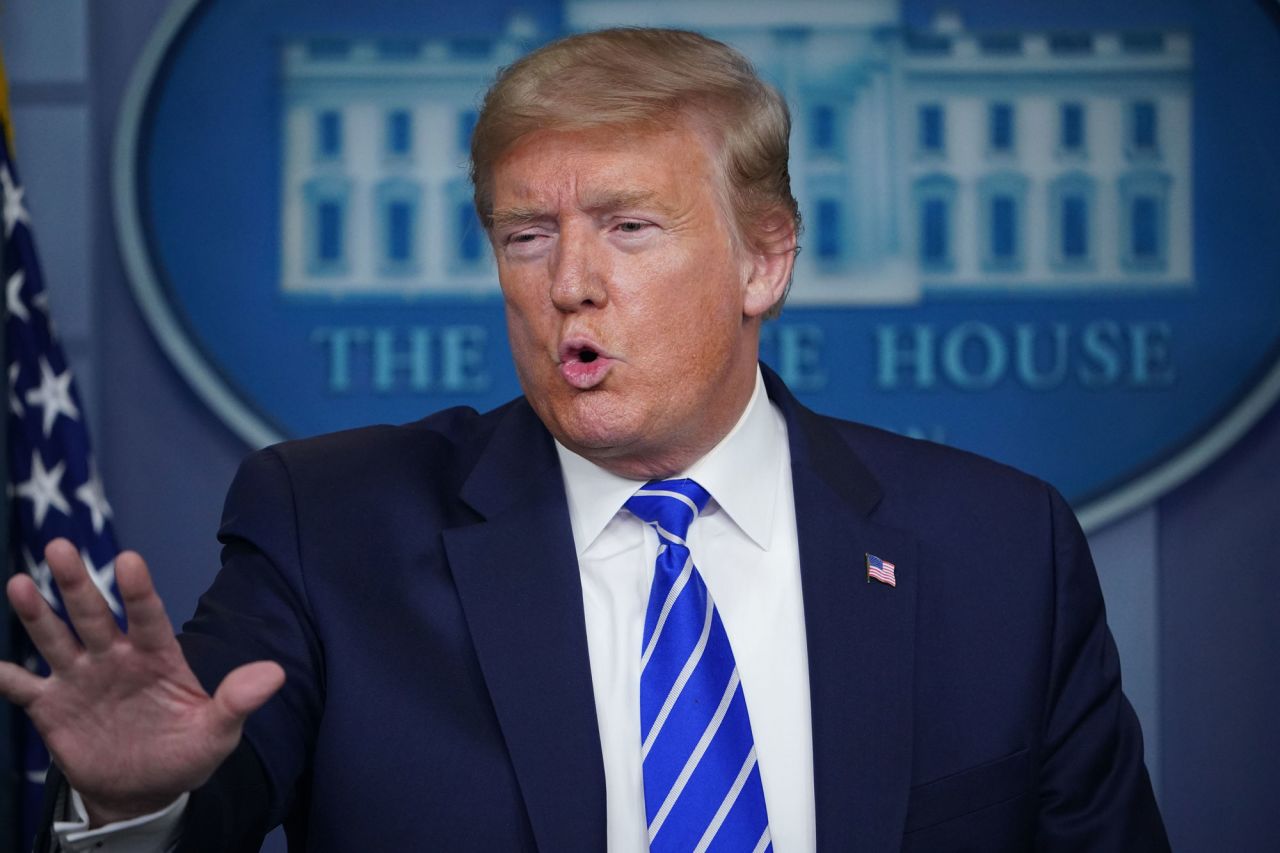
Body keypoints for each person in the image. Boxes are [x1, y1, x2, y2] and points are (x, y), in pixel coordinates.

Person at [0, 27, 1168, 853]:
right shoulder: (332, 525)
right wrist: (132, 813)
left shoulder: (997, 546)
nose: (570, 284)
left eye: (628, 227)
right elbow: (202, 788)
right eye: (525, 236)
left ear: (763, 260)